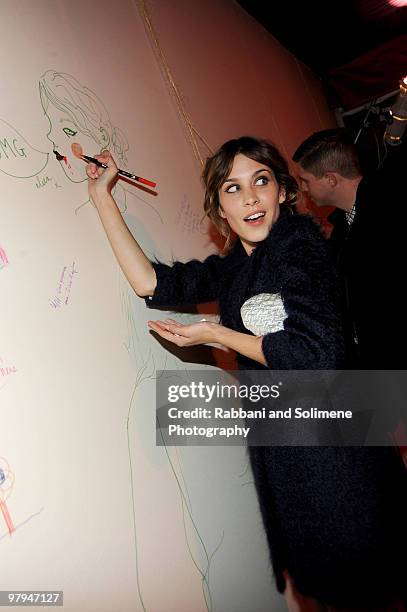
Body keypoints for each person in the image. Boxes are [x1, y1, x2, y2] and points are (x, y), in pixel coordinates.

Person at [86, 136, 405, 610]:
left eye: (260, 181)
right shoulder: (237, 266)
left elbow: (316, 357)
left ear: (282, 191)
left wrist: (219, 336)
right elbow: (151, 282)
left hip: (336, 455)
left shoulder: (301, 248)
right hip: (289, 454)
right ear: (219, 205)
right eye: (232, 188)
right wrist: (101, 197)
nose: (250, 197)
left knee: (365, 588)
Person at [292, 128, 407, 369]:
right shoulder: (342, 226)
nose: (303, 189)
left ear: (331, 179)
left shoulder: (391, 207)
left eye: (305, 181)